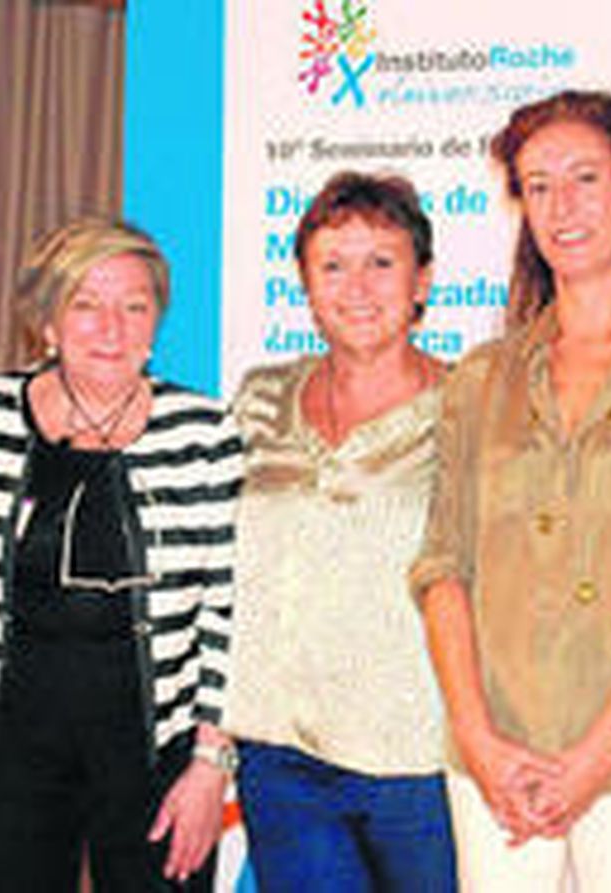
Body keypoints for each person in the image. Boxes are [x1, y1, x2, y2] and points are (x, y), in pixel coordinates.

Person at [410, 90, 611, 890]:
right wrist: (478, 738)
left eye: (584, 177)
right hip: (494, 757)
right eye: (538, 185)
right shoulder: (482, 378)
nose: (562, 207)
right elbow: (443, 565)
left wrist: (591, 760)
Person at [0, 219, 243, 891]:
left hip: (159, 751)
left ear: (157, 320)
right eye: (86, 304)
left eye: (134, 306)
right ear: (47, 321)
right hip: (6, 747)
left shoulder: (206, 431)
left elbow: (229, 608)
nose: (112, 327)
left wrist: (211, 763)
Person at [223, 171, 456, 891]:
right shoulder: (261, 397)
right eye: (333, 264)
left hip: (421, 761)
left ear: (423, 281)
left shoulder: (471, 409)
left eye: (381, 262)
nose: (357, 286)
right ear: (306, 284)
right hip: (281, 755)